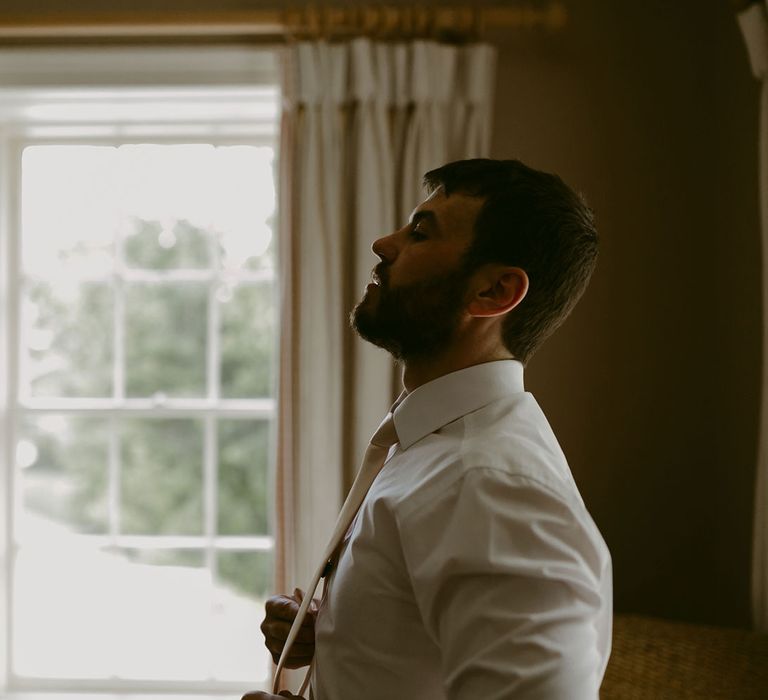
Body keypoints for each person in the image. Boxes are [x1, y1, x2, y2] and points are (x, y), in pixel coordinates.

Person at [244, 158, 612, 700]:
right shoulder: (436, 451)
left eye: (419, 232)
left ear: (494, 292)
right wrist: (354, 635)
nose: (381, 243)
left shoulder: (490, 484)